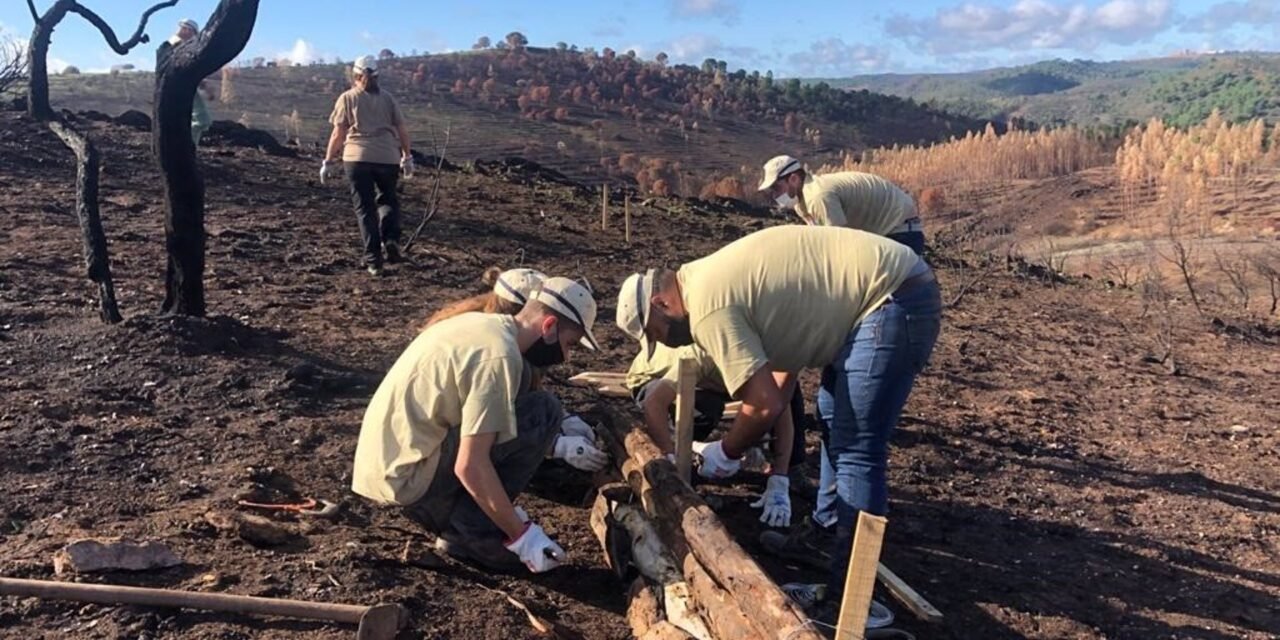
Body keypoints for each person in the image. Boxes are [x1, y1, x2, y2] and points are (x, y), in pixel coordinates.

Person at [615, 226, 941, 610]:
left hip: (890, 303)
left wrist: (728, 451)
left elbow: (764, 404)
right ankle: (833, 540)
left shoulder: (708, 306)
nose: (665, 343)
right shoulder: (707, 279)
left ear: (660, 302)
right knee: (836, 423)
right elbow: (783, 380)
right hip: (889, 295)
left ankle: (850, 605)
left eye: (656, 333)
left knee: (856, 450)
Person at [352, 277, 602, 574]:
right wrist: (524, 536)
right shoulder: (499, 356)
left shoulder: (480, 326)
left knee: (534, 401)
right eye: (569, 344)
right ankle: (473, 534)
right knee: (543, 411)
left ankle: (472, 520)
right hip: (410, 484)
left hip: (385, 470)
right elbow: (470, 465)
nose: (567, 356)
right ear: (548, 327)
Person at [420, 266, 609, 473]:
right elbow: (482, 428)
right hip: (431, 456)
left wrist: (563, 419)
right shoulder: (495, 353)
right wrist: (555, 445)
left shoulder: (479, 329)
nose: (566, 356)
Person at [623, 341, 810, 489]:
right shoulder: (703, 354)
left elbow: (780, 409)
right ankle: (685, 456)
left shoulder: (764, 361)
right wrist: (668, 454)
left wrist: (780, 477)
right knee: (706, 408)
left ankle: (789, 468)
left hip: (712, 379)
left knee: (785, 395)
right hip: (652, 378)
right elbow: (654, 402)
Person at [322, 55, 413, 277]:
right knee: (388, 200)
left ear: (355, 75)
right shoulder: (388, 99)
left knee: (365, 209)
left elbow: (338, 133)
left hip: (356, 158)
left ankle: (374, 261)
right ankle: (390, 240)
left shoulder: (347, 98)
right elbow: (401, 129)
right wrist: (407, 156)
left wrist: (328, 161)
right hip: (387, 157)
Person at [758, 155, 926, 255]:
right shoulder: (802, 200)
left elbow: (839, 246)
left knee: (890, 304)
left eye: (776, 187)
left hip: (899, 232)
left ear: (793, 179)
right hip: (887, 232)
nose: (775, 194)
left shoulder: (818, 197)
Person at [155, 19, 212, 145]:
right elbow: (184, 69)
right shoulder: (178, 46)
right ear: (187, 30)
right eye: (193, 33)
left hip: (175, 89)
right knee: (202, 120)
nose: (194, 38)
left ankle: (187, 147)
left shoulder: (169, 45)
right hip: (181, 88)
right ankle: (188, 147)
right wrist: (202, 83)